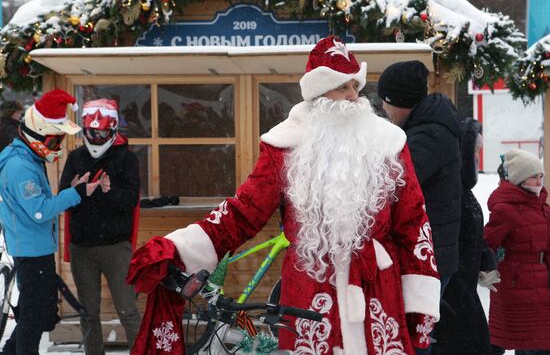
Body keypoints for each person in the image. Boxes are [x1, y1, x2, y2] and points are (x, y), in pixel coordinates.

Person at [127, 36, 440, 355]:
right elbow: (242, 213)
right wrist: (179, 249)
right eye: (341, 87)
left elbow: (414, 226)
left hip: (378, 294)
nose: (352, 97)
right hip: (310, 295)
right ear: (318, 96)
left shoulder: (389, 143)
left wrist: (420, 306)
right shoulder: (284, 147)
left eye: (354, 86)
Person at [0, 89, 99, 355]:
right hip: (32, 253)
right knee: (32, 320)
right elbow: (40, 211)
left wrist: (72, 190)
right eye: (55, 142)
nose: (56, 149)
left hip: (36, 249)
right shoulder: (20, 167)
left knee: (34, 316)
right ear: (38, 134)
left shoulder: (28, 157)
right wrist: (75, 193)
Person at [377, 60, 462, 354]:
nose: (384, 111)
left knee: (413, 340)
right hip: (430, 255)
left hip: (427, 258)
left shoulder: (427, 137)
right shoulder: (429, 129)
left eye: (386, 103)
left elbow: (388, 183)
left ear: (401, 102)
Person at [59, 99, 141, 355]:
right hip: (83, 248)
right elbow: (62, 198)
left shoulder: (127, 159)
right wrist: (76, 190)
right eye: (91, 133)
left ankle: (142, 351)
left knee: (128, 309)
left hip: (116, 248)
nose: (95, 137)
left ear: (112, 129)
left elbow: (130, 201)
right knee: (88, 312)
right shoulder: (75, 157)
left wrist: (108, 191)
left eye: (101, 133)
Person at [431, 118, 497, 355]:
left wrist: (486, 260)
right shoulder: (448, 191)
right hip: (450, 301)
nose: (478, 156)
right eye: (475, 151)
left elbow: (472, 235)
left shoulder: (464, 191)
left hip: (464, 297)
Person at [484, 148, 550, 355]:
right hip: (517, 285)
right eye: (533, 177)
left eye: (541, 176)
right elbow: (486, 243)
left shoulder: (542, 207)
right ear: (520, 178)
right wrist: (486, 270)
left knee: (540, 339)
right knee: (529, 339)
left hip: (542, 281)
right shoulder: (505, 209)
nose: (539, 182)